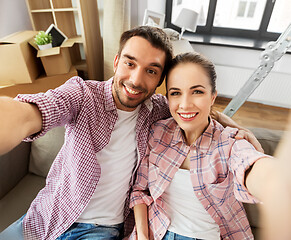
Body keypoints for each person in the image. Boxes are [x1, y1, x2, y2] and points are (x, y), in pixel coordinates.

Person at [0, 27, 261, 240]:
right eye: (130, 63)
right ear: (116, 62)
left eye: (151, 71)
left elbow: (197, 109)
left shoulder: (159, 110)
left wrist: (235, 128)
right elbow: (33, 111)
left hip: (100, 231)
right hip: (46, 215)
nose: (136, 80)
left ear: (159, 81)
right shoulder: (81, 94)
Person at [129, 52, 280, 240]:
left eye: (197, 91)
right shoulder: (157, 132)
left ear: (213, 96)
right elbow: (140, 190)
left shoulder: (230, 143)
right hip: (156, 232)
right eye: (176, 93)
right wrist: (143, 236)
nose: (184, 105)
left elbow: (254, 167)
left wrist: (278, 184)